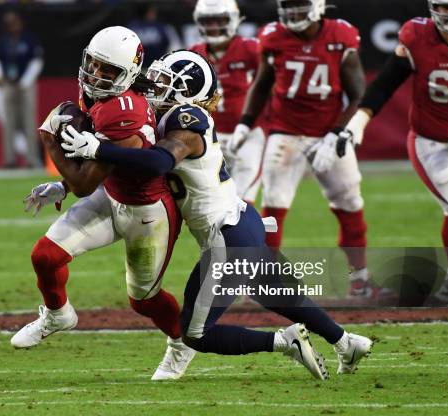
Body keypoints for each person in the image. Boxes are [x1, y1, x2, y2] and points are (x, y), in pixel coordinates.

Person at [61, 49, 374, 377]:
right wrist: (69, 184)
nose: (154, 83)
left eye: (165, 80)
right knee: (281, 298)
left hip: (228, 235)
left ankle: (285, 342)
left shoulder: (187, 121)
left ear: (186, 92)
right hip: (241, 223)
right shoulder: (163, 118)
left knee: (196, 334)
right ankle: (346, 342)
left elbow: (158, 162)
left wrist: (98, 148)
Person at [11, 26, 195, 381]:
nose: (96, 75)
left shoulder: (123, 111)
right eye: (94, 65)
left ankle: (180, 341)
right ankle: (57, 314)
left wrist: (49, 140)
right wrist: (61, 185)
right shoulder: (97, 97)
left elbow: (84, 182)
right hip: (111, 195)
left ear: (127, 73)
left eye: (108, 71)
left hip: (147, 213)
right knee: (45, 256)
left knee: (143, 300)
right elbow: (88, 176)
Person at [232, 0, 378, 298]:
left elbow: (358, 95)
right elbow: (261, 84)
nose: (292, 12)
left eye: (300, 6)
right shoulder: (273, 37)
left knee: (350, 202)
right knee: (274, 204)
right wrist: (245, 122)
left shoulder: (340, 36)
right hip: (286, 134)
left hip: (329, 132)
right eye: (288, 6)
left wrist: (337, 132)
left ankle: (360, 279)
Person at [340, 0, 448, 304]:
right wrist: (359, 122)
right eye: (445, 7)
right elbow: (386, 83)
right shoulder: (417, 37)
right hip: (432, 143)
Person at [190, 0, 265, 204]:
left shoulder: (251, 48)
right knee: (211, 202)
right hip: (209, 136)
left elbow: (268, 85)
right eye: (208, 21)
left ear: (232, 19)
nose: (213, 26)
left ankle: (247, 235)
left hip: (247, 134)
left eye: (219, 20)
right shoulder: (194, 53)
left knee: (241, 200)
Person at [0, 11, 44, 169]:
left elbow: (37, 61)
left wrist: (27, 80)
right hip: (8, 84)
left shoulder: (29, 39)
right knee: (8, 123)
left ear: (21, 22)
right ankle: (9, 160)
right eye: (9, 23)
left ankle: (32, 159)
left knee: (29, 121)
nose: (12, 26)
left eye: (15, 22)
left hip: (26, 84)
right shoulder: (3, 41)